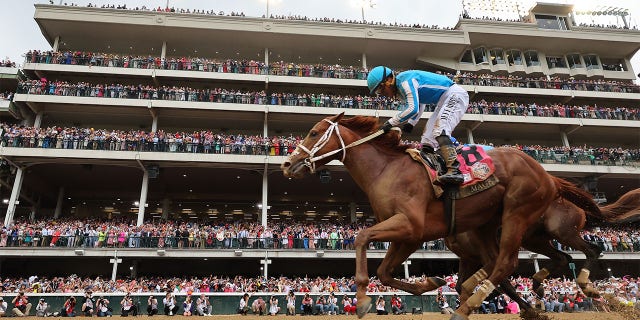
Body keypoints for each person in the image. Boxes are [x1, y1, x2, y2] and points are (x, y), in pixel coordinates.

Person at [367, 66, 469, 185]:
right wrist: (411, 123)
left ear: (389, 80)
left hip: (455, 95)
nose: (382, 94)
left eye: (381, 89)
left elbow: (413, 108)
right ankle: (438, 171)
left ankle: (455, 170)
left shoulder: (405, 82)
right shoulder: (401, 86)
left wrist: (389, 123)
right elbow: (420, 103)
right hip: (443, 100)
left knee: (440, 130)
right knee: (427, 141)